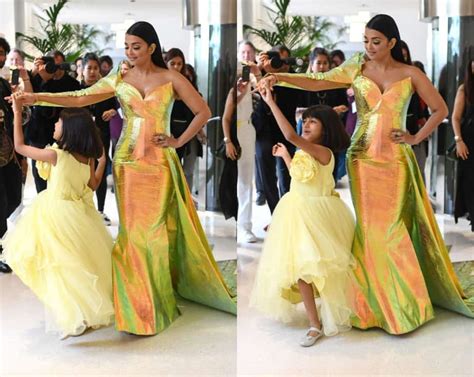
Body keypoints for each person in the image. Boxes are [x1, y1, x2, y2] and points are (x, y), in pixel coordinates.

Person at [258, 14, 474, 334]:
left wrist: (415, 138)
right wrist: (280, 78)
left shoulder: (410, 73)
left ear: (392, 43)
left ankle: (403, 306)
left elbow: (440, 109)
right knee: (371, 231)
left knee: (391, 229)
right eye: (366, 41)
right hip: (362, 159)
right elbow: (318, 80)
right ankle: (370, 306)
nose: (369, 47)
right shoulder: (357, 67)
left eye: (376, 42)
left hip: (395, 161)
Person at [17, 21, 236, 335]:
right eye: (127, 46)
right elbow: (80, 98)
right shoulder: (119, 76)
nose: (130, 52)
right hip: (126, 162)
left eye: (136, 46)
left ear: (151, 47)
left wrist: (177, 139)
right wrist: (36, 98)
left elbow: (203, 110)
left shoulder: (171, 77)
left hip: (159, 162)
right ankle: (137, 306)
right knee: (132, 232)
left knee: (154, 231)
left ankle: (157, 298)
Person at [2, 96, 114, 339]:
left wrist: (17, 113)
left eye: (59, 123)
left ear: (70, 130)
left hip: (55, 215)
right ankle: (80, 313)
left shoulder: (56, 156)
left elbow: (20, 147)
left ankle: (72, 316)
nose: (54, 126)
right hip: (79, 218)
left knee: (59, 268)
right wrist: (102, 161)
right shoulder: (87, 158)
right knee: (75, 266)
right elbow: (93, 185)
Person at [250, 94, 355, 346]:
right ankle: (314, 323)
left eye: (313, 122)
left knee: (319, 270)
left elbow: (290, 135)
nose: (306, 125)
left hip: (317, 214)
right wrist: (286, 156)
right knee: (301, 269)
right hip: (295, 210)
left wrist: (271, 102)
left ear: (326, 128)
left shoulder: (322, 151)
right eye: (305, 120)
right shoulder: (304, 150)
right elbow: (300, 175)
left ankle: (325, 318)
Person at [28, 52, 81, 192]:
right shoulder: (37, 80)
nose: (54, 68)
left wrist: (48, 81)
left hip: (64, 137)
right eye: (50, 64)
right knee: (40, 177)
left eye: (57, 64)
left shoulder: (72, 84)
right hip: (39, 135)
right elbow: (32, 101)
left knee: (61, 179)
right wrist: (35, 74)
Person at [80, 52, 117, 225]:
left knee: (100, 170)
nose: (93, 71)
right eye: (90, 68)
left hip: (101, 135)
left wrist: (112, 111)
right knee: (81, 173)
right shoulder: (77, 89)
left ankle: (100, 210)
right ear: (83, 69)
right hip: (80, 138)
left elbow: (116, 105)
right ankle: (82, 210)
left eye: (96, 68)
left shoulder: (104, 89)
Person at [164, 48, 204, 192]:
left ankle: (185, 199)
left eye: (179, 64)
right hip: (168, 132)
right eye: (172, 63)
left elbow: (199, 111)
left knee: (186, 169)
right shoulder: (161, 83)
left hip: (187, 131)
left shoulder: (186, 83)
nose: (176, 67)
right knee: (170, 170)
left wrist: (199, 131)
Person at [452, 58, 474, 231]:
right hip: (469, 142)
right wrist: (459, 141)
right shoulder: (464, 89)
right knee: (470, 183)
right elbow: (455, 117)